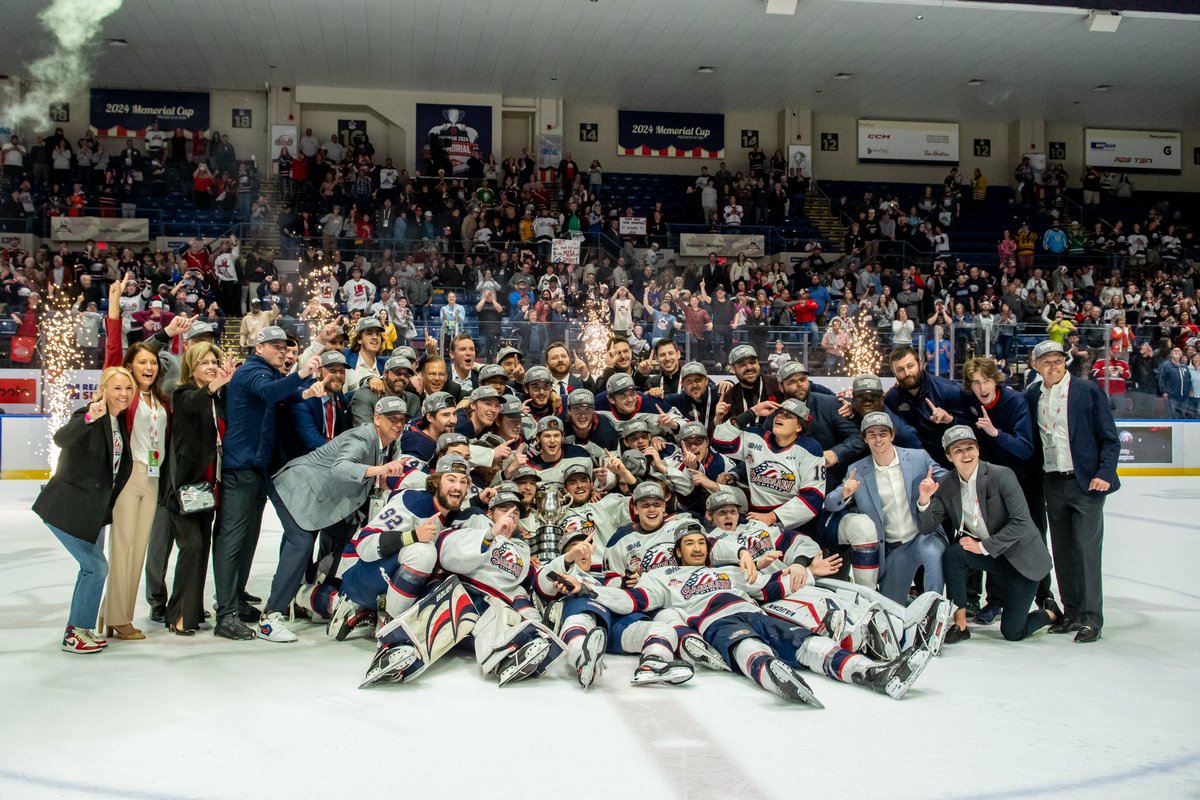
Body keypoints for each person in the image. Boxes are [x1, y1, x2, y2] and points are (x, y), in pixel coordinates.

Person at [259, 396, 411, 642]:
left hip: (318, 499)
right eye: (392, 419)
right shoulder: (362, 437)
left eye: (402, 420)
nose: (398, 424)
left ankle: (306, 597)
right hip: (296, 489)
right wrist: (377, 471)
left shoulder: (387, 444)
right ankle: (270, 617)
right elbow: (341, 468)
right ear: (376, 419)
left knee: (347, 540)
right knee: (300, 543)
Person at [213, 326, 321, 640]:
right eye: (275, 346)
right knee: (232, 540)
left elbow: (280, 396)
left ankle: (236, 600)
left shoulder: (267, 373)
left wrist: (305, 392)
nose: (281, 351)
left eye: (284, 346)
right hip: (241, 468)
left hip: (256, 467)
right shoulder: (252, 372)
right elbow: (269, 393)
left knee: (247, 539)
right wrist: (301, 374)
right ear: (259, 348)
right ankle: (225, 614)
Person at [916, 426, 1057, 644]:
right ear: (949, 456)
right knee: (953, 555)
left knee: (1013, 632)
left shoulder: (1001, 475)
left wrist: (982, 546)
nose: (966, 454)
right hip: (994, 556)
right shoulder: (946, 484)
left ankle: (1051, 613)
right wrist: (924, 500)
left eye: (970, 448)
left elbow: (1021, 522)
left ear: (978, 449)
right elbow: (926, 527)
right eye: (958, 450)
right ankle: (960, 624)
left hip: (1021, 559)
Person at [33, 367, 134, 653]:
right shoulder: (89, 414)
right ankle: (74, 633)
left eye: (128, 388)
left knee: (90, 569)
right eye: (117, 388)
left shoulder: (118, 421)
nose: (124, 394)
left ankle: (82, 628)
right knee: (96, 567)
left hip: (93, 511)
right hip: (68, 507)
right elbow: (61, 439)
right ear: (103, 390)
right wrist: (90, 417)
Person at [1026, 340, 1119, 644]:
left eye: (1058, 360)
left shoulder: (1087, 391)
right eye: (1047, 362)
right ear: (1036, 366)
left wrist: (1104, 473)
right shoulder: (1032, 395)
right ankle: (1073, 612)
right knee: (1063, 551)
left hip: (1086, 483)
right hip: (1053, 482)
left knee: (1087, 551)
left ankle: (1092, 618)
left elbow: (1110, 437)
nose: (1053, 366)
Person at [159, 342, 233, 635]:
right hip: (184, 488)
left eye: (214, 362)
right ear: (191, 367)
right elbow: (193, 402)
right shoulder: (184, 394)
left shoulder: (216, 399)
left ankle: (191, 610)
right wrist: (215, 385)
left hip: (208, 488)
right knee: (192, 547)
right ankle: (178, 613)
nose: (211, 367)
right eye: (204, 362)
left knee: (201, 549)